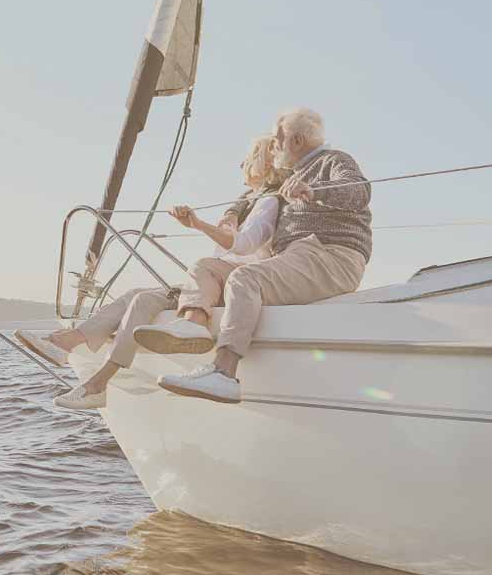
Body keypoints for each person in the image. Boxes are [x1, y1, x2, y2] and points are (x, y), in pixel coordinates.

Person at [14, 134, 287, 409]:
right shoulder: (247, 204)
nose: (242, 162)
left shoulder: (269, 203)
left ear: (265, 163)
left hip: (233, 286)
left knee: (147, 297)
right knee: (138, 296)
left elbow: (243, 246)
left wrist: (199, 225)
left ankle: (93, 378)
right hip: (212, 283)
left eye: (250, 157)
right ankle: (69, 348)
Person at [134, 108, 371, 404]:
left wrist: (313, 189)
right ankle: (191, 326)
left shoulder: (333, 160)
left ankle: (223, 373)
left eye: (276, 140)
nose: (273, 147)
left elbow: (358, 191)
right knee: (205, 266)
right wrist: (231, 213)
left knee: (245, 278)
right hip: (299, 256)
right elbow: (251, 194)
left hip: (330, 255)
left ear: (296, 141)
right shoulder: (292, 174)